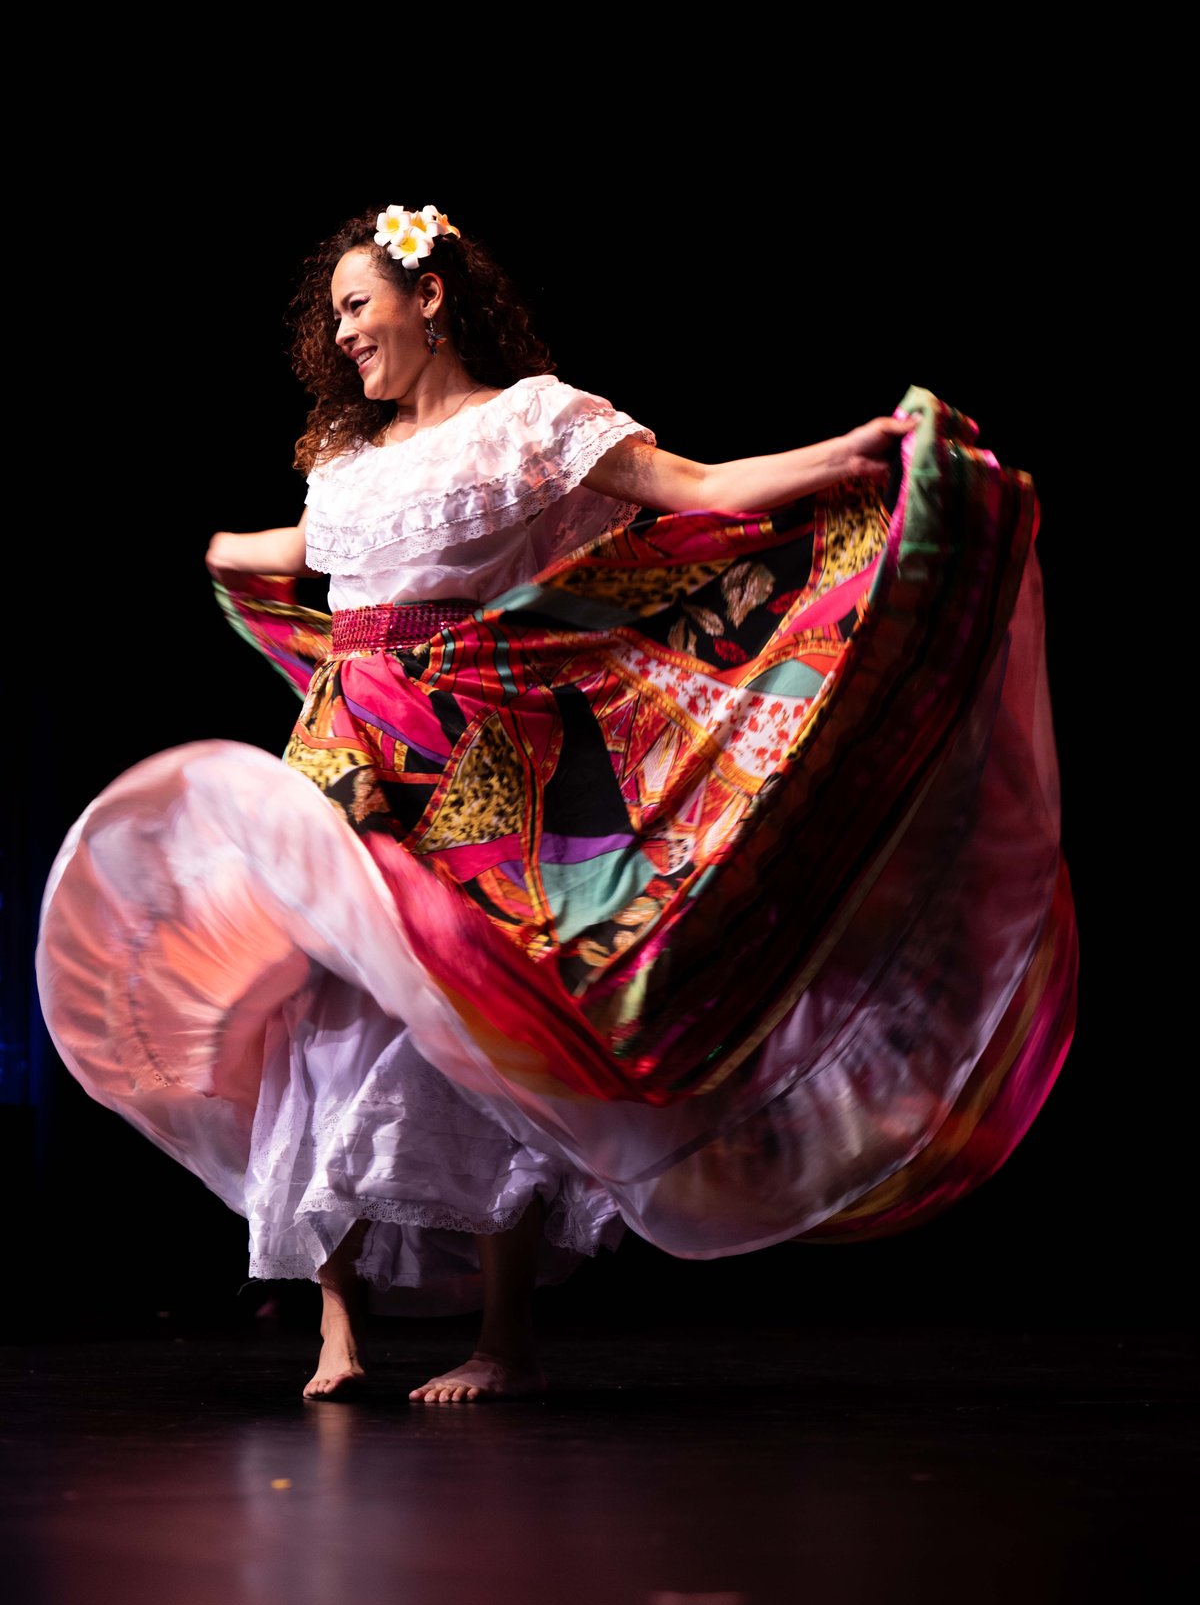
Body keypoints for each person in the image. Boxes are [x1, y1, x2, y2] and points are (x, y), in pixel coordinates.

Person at [36, 200, 1078, 1405]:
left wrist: (835, 459)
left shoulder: (532, 420)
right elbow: (315, 553)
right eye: (334, 318)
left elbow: (693, 486)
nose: (345, 332)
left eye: (360, 305)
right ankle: (337, 1324)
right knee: (320, 1003)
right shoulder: (346, 462)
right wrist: (230, 549)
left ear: (431, 298)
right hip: (344, 751)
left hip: (471, 757)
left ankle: (505, 1339)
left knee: (482, 1016)